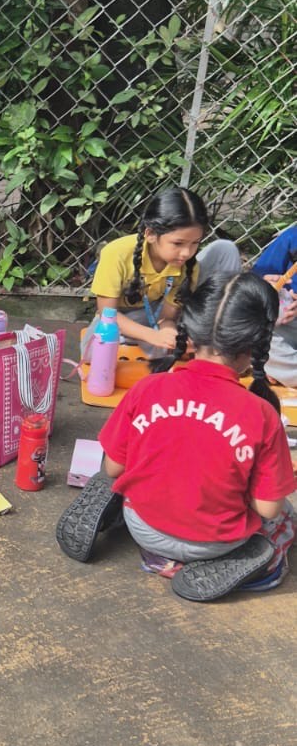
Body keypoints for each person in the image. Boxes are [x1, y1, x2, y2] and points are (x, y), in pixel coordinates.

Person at [57, 273, 296, 601]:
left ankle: (156, 555)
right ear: (253, 346)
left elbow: (113, 467)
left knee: (113, 478)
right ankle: (255, 568)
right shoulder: (263, 414)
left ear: (190, 332)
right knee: (286, 518)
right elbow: (268, 509)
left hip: (143, 527)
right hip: (217, 541)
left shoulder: (148, 388)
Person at [86, 187, 231, 358]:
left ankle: (140, 342)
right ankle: (134, 339)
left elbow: (166, 317)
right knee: (92, 353)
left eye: (195, 243)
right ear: (151, 234)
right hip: (118, 317)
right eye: (178, 243)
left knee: (173, 346)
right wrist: (152, 336)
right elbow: (107, 314)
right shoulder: (116, 253)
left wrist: (168, 333)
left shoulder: (188, 266)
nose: (186, 252)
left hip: (153, 313)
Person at [251, 221, 297, 388]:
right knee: (260, 329)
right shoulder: (292, 238)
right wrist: (268, 288)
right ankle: (281, 367)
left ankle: (279, 369)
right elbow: (255, 282)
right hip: (285, 325)